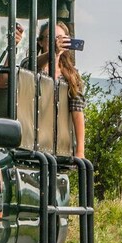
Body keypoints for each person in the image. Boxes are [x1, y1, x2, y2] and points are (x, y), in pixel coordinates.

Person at [35, 21, 86, 158]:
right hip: (34, 142)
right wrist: (52, 53)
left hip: (59, 147)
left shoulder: (71, 75)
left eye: (61, 39)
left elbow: (77, 111)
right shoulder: (33, 68)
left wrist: (80, 151)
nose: (57, 42)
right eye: (52, 38)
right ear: (40, 42)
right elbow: (30, 65)